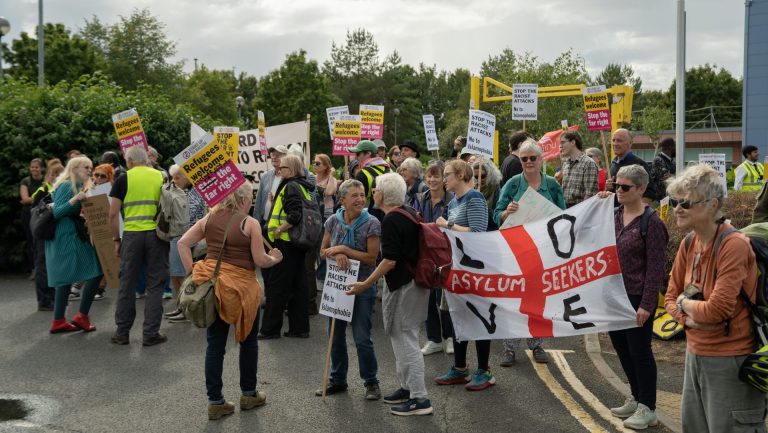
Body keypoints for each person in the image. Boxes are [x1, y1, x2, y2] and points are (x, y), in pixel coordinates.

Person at [664, 164, 767, 432]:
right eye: (676, 202)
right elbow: (669, 297)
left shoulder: (734, 245)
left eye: (685, 203)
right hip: (694, 355)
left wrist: (684, 306)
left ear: (712, 205)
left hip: (731, 361)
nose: (677, 209)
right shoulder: (689, 242)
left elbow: (717, 311)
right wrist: (689, 320)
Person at [178, 181, 283, 420]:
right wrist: (275, 258)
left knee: (215, 346)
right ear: (245, 199)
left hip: (213, 287)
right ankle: (249, 394)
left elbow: (183, 243)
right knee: (248, 342)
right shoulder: (250, 223)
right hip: (242, 289)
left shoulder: (210, 217)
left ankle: (215, 402)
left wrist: (193, 273)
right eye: (251, 198)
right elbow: (260, 260)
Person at [348, 173, 433, 416]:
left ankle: (420, 399)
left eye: (375, 189)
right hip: (410, 284)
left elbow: (389, 261)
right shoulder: (405, 212)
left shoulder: (392, 219)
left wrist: (365, 283)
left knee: (407, 340)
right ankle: (407, 389)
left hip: (406, 286)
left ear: (383, 194)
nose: (372, 193)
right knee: (399, 336)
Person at [597, 165, 669, 430]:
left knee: (640, 352)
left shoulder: (652, 224)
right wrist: (598, 201)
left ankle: (647, 407)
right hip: (612, 296)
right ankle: (636, 396)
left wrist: (647, 305)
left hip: (636, 296)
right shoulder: (613, 215)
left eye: (625, 187)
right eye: (616, 186)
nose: (618, 191)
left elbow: (656, 268)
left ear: (640, 189)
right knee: (622, 349)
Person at [493, 139, 565, 366]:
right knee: (514, 298)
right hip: (516, 250)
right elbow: (496, 215)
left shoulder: (552, 184)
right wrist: (506, 213)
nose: (528, 162)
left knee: (537, 297)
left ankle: (537, 344)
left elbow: (564, 216)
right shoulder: (513, 184)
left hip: (543, 251)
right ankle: (509, 348)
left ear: (541, 159)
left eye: (533, 158)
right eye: (524, 159)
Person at [315, 179, 382, 400]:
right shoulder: (333, 221)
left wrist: (345, 249)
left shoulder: (372, 223)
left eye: (362, 195)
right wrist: (336, 253)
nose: (360, 199)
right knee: (335, 335)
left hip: (362, 287)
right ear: (341, 199)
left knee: (362, 337)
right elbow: (323, 250)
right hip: (336, 286)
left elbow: (372, 259)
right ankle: (338, 379)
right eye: (354, 195)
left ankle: (371, 382)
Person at [433, 160, 496, 390]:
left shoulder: (474, 198)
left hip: (476, 270)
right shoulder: (453, 202)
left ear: (460, 175)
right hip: (457, 267)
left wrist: (447, 224)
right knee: (457, 315)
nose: (443, 179)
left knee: (478, 316)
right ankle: (460, 368)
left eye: (447, 174)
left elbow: (478, 233)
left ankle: (484, 370)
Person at [109, 146, 169, 346]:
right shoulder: (161, 176)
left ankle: (122, 333)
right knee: (155, 284)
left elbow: (112, 214)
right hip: (156, 236)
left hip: (132, 236)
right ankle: (151, 333)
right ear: (147, 160)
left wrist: (116, 240)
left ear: (130, 161)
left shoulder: (123, 179)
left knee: (127, 284)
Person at [45, 156, 104, 334]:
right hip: (67, 236)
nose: (89, 170)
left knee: (65, 277)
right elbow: (57, 212)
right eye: (85, 167)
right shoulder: (67, 185)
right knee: (96, 271)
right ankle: (81, 316)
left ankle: (58, 320)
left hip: (67, 235)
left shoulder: (76, 185)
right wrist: (75, 199)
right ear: (74, 168)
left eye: (90, 167)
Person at [258, 154, 314, 339]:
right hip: (298, 244)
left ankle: (270, 329)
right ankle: (299, 328)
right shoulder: (303, 185)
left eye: (281, 167)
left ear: (289, 170)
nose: (278, 170)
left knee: (277, 287)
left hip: (286, 242)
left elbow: (295, 214)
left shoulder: (290, 185)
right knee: (298, 286)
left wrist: (278, 230)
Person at [413, 163, 454, 356]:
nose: (432, 180)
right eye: (428, 176)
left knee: (444, 299)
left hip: (445, 254)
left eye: (436, 176)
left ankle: (450, 337)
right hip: (425, 255)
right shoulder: (420, 199)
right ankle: (434, 339)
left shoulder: (452, 200)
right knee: (427, 297)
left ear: (443, 179)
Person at [31, 160, 64, 311]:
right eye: (54, 173)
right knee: (42, 266)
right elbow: (35, 211)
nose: (57, 176)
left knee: (52, 266)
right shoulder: (43, 190)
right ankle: (44, 301)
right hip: (43, 233)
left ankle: (53, 297)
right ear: (49, 175)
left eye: (60, 173)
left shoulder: (61, 189)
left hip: (53, 233)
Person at [608, 129, 654, 203]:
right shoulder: (613, 164)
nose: (615, 144)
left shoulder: (639, 164)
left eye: (619, 140)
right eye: (613, 140)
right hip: (615, 213)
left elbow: (649, 193)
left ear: (630, 143)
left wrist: (637, 212)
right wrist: (607, 187)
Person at [350, 140, 392, 221]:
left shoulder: (363, 173)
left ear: (368, 154)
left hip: (369, 219)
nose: (355, 157)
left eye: (358, 154)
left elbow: (357, 201)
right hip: (390, 217)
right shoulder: (390, 170)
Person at [91, 163, 115, 301]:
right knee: (94, 258)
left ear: (109, 178)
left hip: (108, 228)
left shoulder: (112, 190)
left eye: (103, 176)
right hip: (92, 228)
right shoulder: (89, 188)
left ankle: (101, 288)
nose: (99, 178)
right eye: (96, 175)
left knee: (107, 258)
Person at [20, 158, 45, 275]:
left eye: (37, 167)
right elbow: (24, 199)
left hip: (43, 214)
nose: (34, 169)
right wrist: (40, 198)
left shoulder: (45, 181)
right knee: (31, 242)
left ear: (42, 168)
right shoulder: (26, 181)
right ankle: (34, 269)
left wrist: (33, 199)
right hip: (28, 215)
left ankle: (42, 268)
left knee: (42, 242)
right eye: (32, 167)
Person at [559, 131, 598, 208]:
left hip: (580, 210)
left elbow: (589, 195)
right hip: (565, 209)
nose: (560, 146)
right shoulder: (566, 163)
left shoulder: (588, 163)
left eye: (563, 142)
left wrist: (580, 213)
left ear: (573, 142)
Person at [253, 145, 288, 227]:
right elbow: (258, 201)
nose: (274, 157)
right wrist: (256, 224)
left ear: (287, 157)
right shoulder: (265, 176)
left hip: (280, 226)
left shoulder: (290, 177)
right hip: (263, 223)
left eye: (278, 155)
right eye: (272, 154)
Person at [472, 159, 502, 231]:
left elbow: (497, 219)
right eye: (476, 177)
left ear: (490, 175)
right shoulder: (472, 191)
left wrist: (482, 205)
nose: (479, 179)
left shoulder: (497, 192)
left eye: (482, 176)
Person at [313, 153, 338, 220]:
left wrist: (331, 175)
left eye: (317, 163)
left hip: (326, 214)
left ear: (325, 166)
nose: (314, 165)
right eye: (314, 162)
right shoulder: (312, 178)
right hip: (313, 212)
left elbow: (329, 192)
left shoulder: (332, 179)